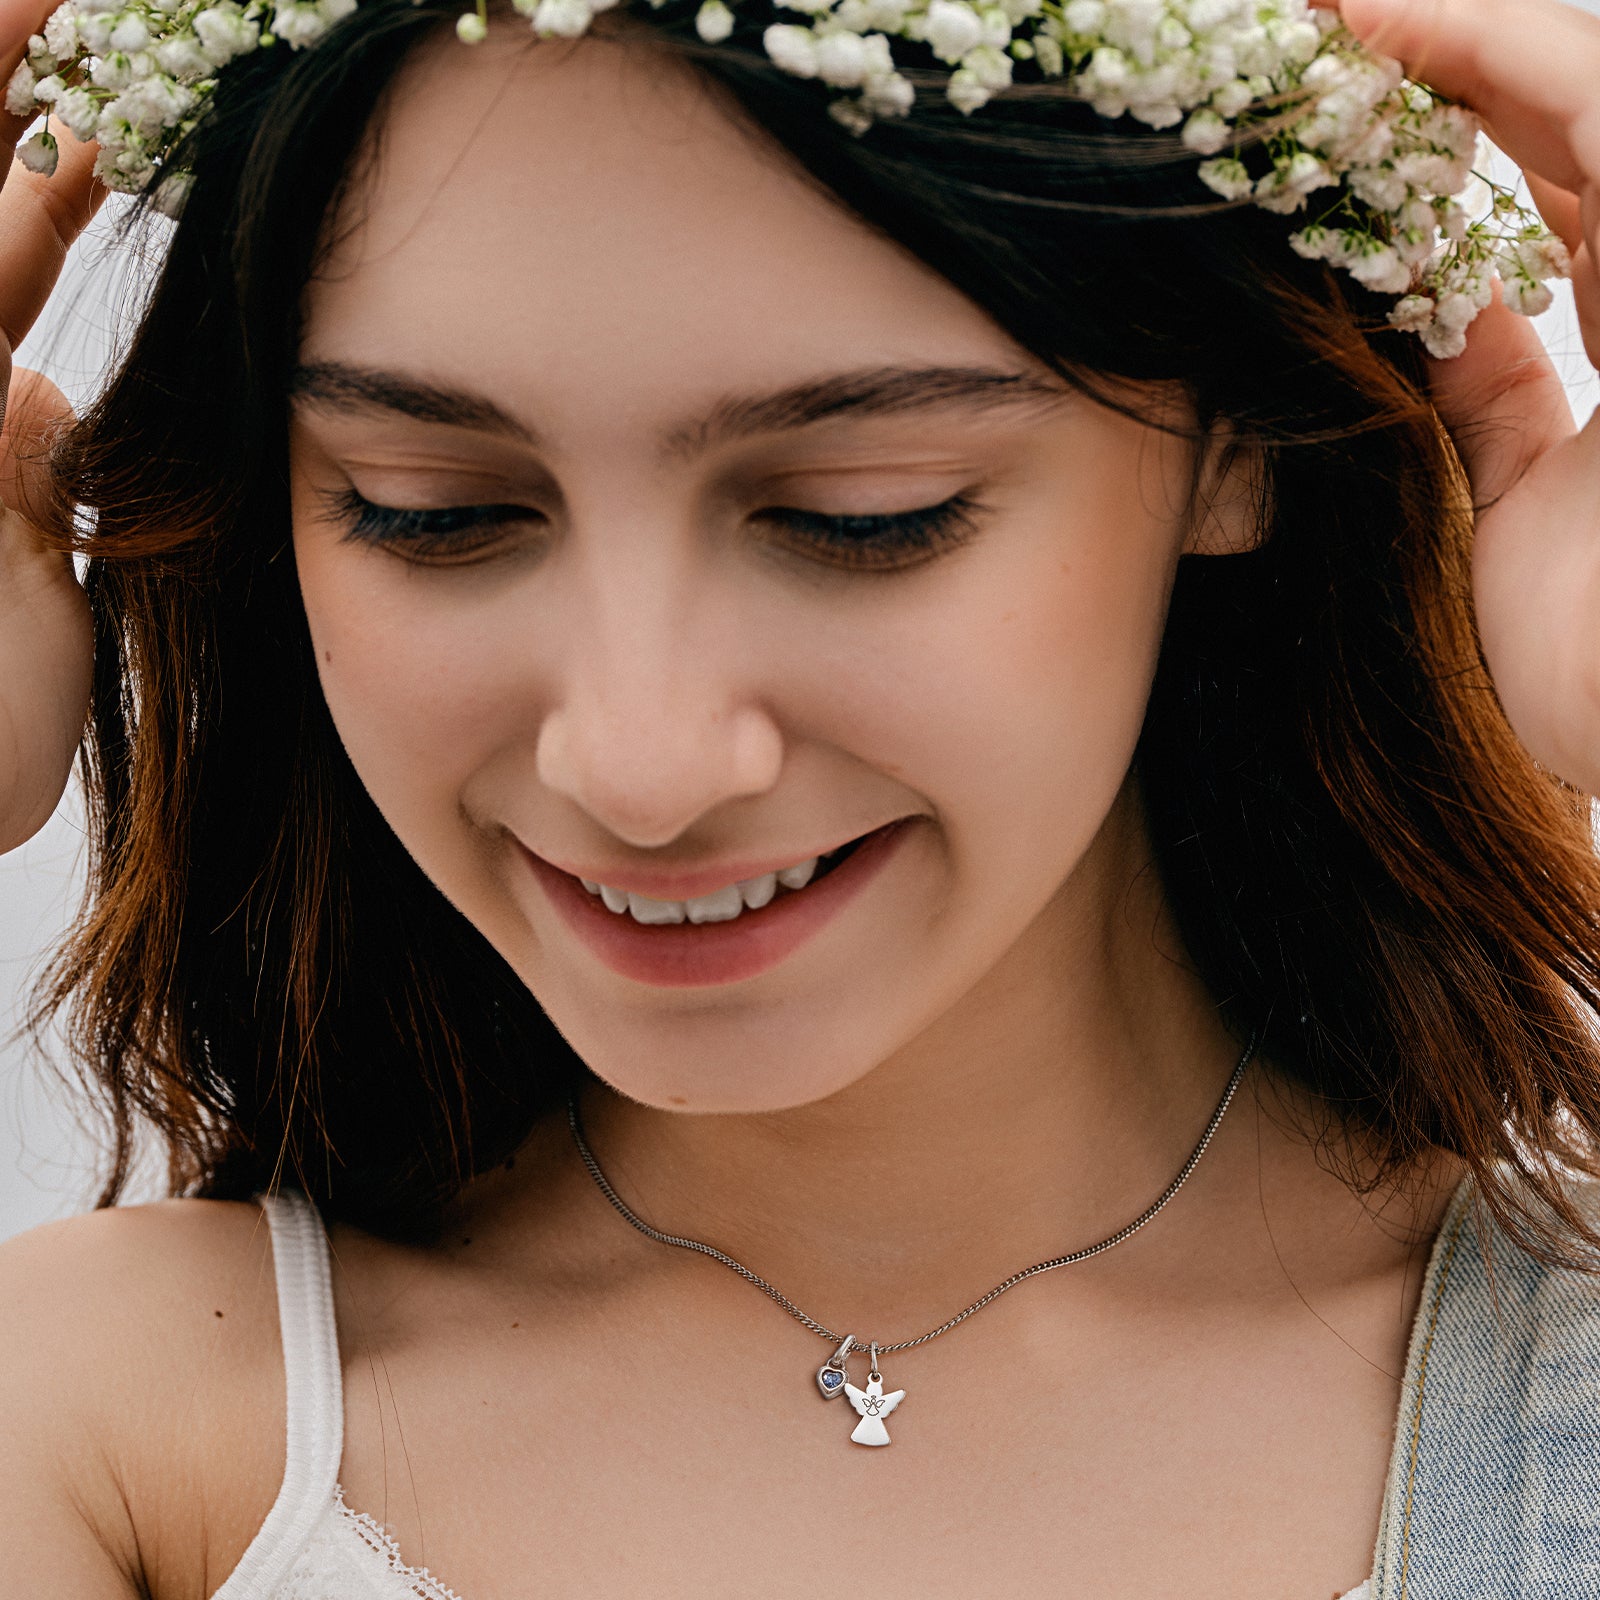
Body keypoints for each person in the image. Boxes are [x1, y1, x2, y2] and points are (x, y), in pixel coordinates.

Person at [2, 0, 1599, 1592]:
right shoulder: (98, 1429)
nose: (638, 766)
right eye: (438, 513)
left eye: (861, 518)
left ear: (1231, 444)